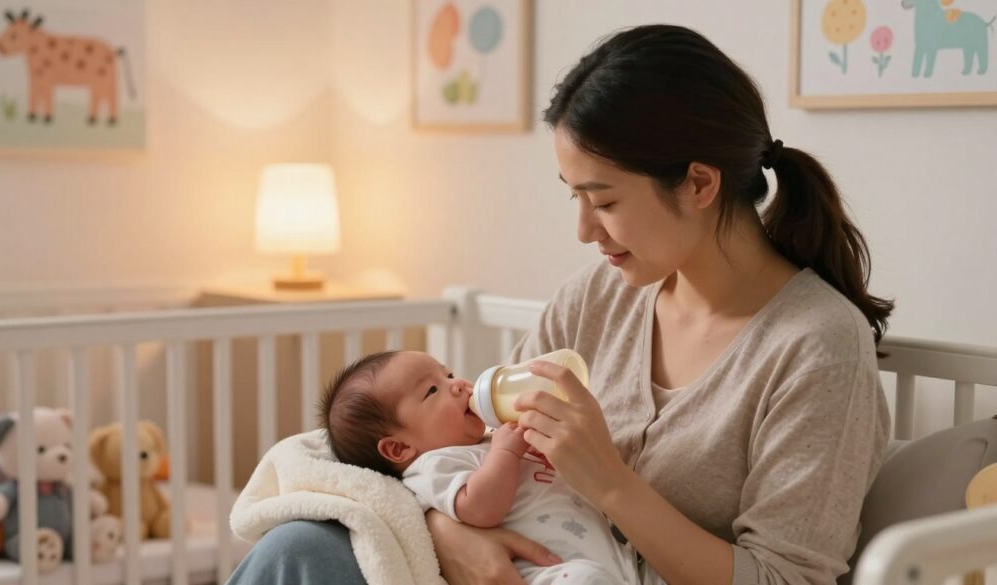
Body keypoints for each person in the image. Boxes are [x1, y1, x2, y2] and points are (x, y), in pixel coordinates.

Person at [226, 23, 893, 585]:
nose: (584, 230)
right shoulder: (599, 297)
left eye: (603, 201)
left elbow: (785, 579)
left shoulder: (818, 347)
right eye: (574, 197)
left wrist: (609, 482)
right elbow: (456, 447)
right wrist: (447, 530)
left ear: (698, 183)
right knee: (300, 547)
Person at [318, 349, 645, 585]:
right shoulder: (433, 466)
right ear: (399, 447)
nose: (457, 384)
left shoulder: (490, 438)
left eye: (447, 374)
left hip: (612, 556)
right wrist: (507, 451)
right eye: (432, 390)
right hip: (546, 572)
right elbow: (479, 509)